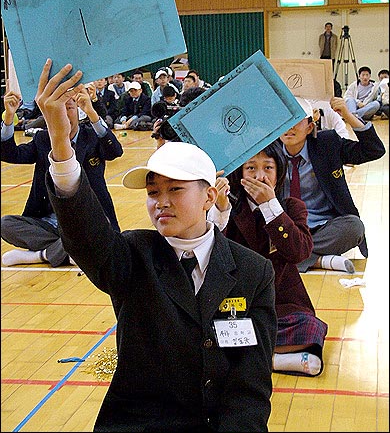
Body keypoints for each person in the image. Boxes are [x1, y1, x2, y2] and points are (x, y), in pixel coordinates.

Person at [38, 59, 277, 432]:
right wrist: (61, 145)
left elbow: (250, 383)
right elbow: (85, 238)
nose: (160, 201)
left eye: (175, 189)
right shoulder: (134, 254)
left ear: (209, 196)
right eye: (152, 192)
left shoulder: (252, 271)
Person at [215, 141, 328, 377]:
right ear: (240, 174)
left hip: (282, 302)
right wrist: (220, 210)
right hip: (238, 303)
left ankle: (254, 359)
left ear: (279, 174)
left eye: (268, 168)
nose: (260, 176)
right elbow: (213, 253)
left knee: (310, 327)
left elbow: (300, 252)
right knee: (214, 330)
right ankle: (274, 360)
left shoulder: (290, 207)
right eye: (251, 169)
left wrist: (270, 206)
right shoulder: (228, 209)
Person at [1, 79, 123, 267]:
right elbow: (11, 154)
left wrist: (92, 113)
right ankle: (71, 251)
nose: (64, 113)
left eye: (69, 107)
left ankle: (39, 255)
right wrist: (9, 117)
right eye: (58, 109)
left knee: (104, 231)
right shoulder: (43, 138)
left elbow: (115, 151)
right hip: (50, 223)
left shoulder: (91, 136)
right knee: (6, 224)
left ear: (78, 111)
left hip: (88, 219)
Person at [278, 96, 385, 274]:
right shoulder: (268, 152)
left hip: (323, 226)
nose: (289, 127)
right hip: (285, 227)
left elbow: (374, 150)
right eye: (284, 121)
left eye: (296, 121)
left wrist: (348, 115)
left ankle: (291, 258)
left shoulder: (327, 144)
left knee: (354, 227)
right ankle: (319, 260)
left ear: (310, 127)